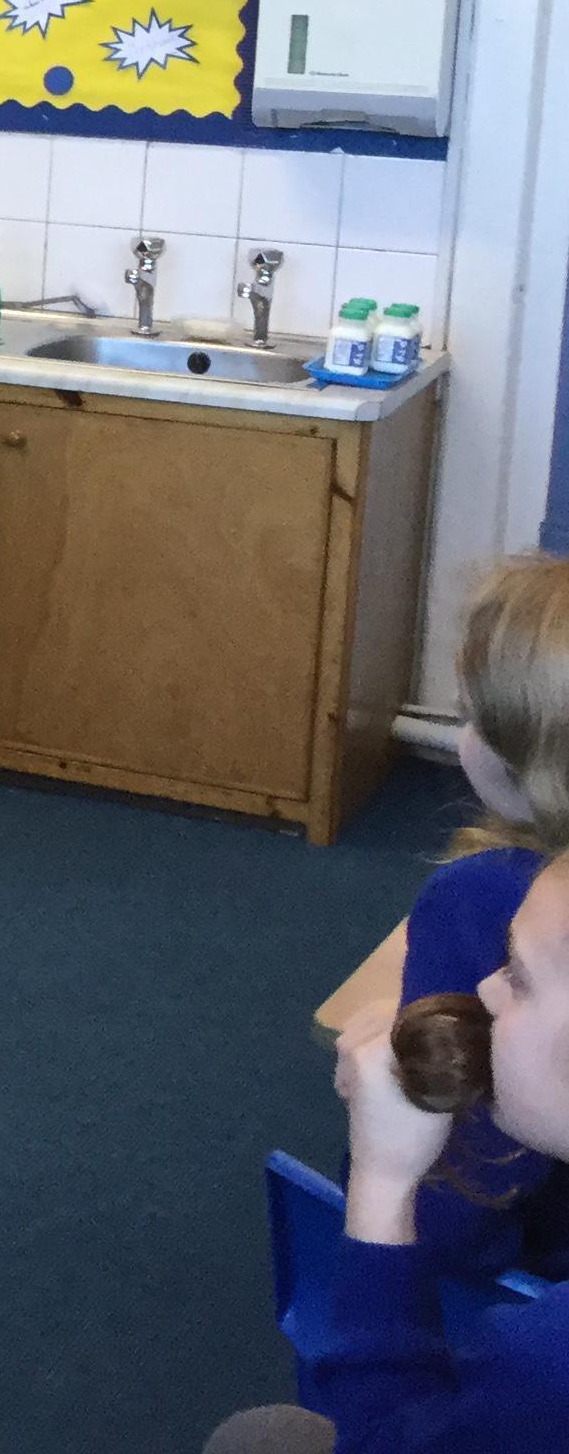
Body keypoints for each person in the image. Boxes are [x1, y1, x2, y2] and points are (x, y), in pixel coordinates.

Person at [203, 853, 569, 1450]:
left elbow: (378, 1437)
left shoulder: (546, 1364)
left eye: (520, 978)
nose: (486, 988)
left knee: (252, 1437)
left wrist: (383, 1181)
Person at [399, 557, 569, 1285]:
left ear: (518, 761)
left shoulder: (478, 897)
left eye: (469, 717)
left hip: (523, 1272)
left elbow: (456, 1139)